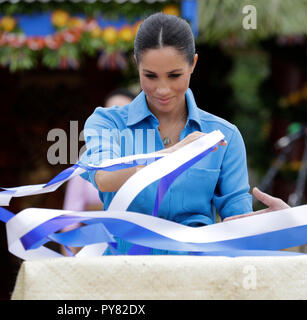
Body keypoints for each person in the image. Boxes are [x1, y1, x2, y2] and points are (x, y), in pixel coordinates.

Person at [78, 12, 289, 255]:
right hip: (122, 275)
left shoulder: (225, 136)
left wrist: (279, 225)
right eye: (150, 76)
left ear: (193, 64)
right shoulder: (107, 122)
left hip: (196, 277)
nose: (163, 89)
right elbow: (104, 176)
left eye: (174, 75)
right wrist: (172, 155)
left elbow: (237, 225)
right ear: (136, 64)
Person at [61, 89, 135, 255]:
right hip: (94, 251)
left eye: (123, 113)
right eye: (110, 113)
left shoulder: (148, 158)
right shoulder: (88, 161)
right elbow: (70, 221)